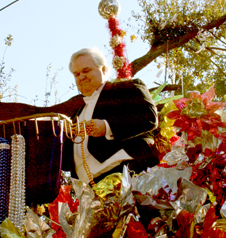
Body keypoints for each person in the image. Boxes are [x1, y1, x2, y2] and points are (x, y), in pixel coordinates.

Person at [62, 47, 159, 183]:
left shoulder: (127, 88)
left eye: (86, 70)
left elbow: (149, 117)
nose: (81, 77)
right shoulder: (75, 115)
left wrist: (107, 127)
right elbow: (66, 163)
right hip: (89, 190)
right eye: (76, 74)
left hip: (128, 174)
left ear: (103, 70)